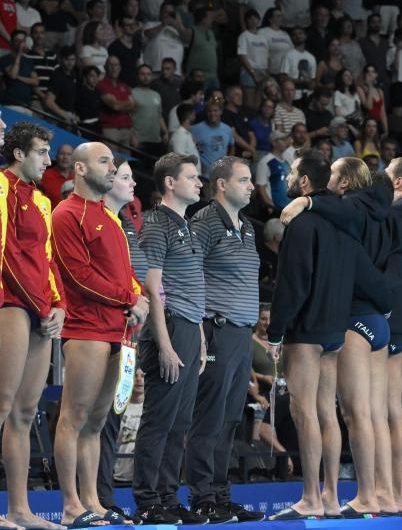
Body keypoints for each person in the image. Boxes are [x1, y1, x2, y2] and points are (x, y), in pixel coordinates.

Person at [266, 152, 365, 519]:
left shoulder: (303, 223)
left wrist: (276, 332)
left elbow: (291, 284)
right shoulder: (345, 223)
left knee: (304, 410)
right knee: (327, 411)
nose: (290, 178)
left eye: (293, 173)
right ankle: (332, 499)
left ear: (305, 183)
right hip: (335, 328)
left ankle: (310, 497)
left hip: (306, 329)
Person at [52, 144, 146, 528]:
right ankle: (72, 505)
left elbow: (125, 274)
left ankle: (93, 500)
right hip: (86, 328)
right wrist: (130, 297)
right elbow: (78, 276)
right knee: (73, 418)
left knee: (97, 421)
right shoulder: (66, 214)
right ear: (80, 168)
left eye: (112, 162)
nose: (112, 168)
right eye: (104, 161)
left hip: (118, 331)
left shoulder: (109, 216)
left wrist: (138, 298)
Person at [184, 158, 264, 523]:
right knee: (210, 418)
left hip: (242, 334)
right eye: (244, 180)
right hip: (216, 331)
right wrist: (199, 333)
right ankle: (203, 498)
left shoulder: (246, 226)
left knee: (231, 418)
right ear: (221, 184)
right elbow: (187, 274)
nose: (251, 186)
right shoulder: (203, 223)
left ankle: (220, 494)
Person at [132, 153, 207, 525]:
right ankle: (147, 500)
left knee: (180, 422)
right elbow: (153, 287)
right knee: (160, 419)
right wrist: (163, 343)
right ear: (170, 183)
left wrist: (201, 337)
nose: (199, 183)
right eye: (192, 177)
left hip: (189, 328)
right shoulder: (156, 224)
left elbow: (193, 287)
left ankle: (166, 496)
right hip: (170, 327)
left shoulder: (188, 225)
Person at [0, 122, 66, 530]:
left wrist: (56, 303)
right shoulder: (1, 187)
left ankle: (20, 510)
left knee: (25, 412)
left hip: (41, 309)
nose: (49, 159)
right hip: (9, 302)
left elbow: (46, 259)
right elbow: (4, 254)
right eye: (42, 152)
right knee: (2, 403)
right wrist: (37, 303)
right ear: (20, 154)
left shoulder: (42, 201)